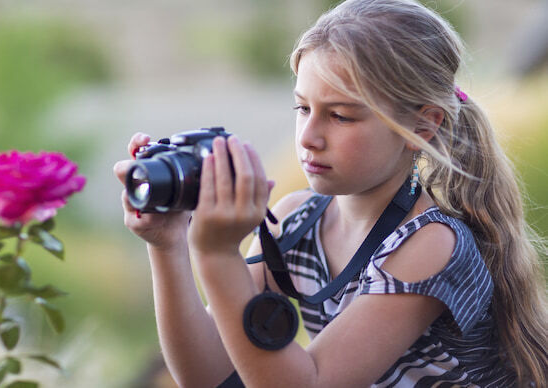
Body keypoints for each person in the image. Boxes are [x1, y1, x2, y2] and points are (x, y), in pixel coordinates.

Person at [113, 0, 548, 386]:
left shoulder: (430, 244)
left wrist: (216, 255)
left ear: (423, 126)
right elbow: (205, 376)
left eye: (340, 116)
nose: (308, 137)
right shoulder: (297, 220)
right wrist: (168, 244)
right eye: (303, 108)